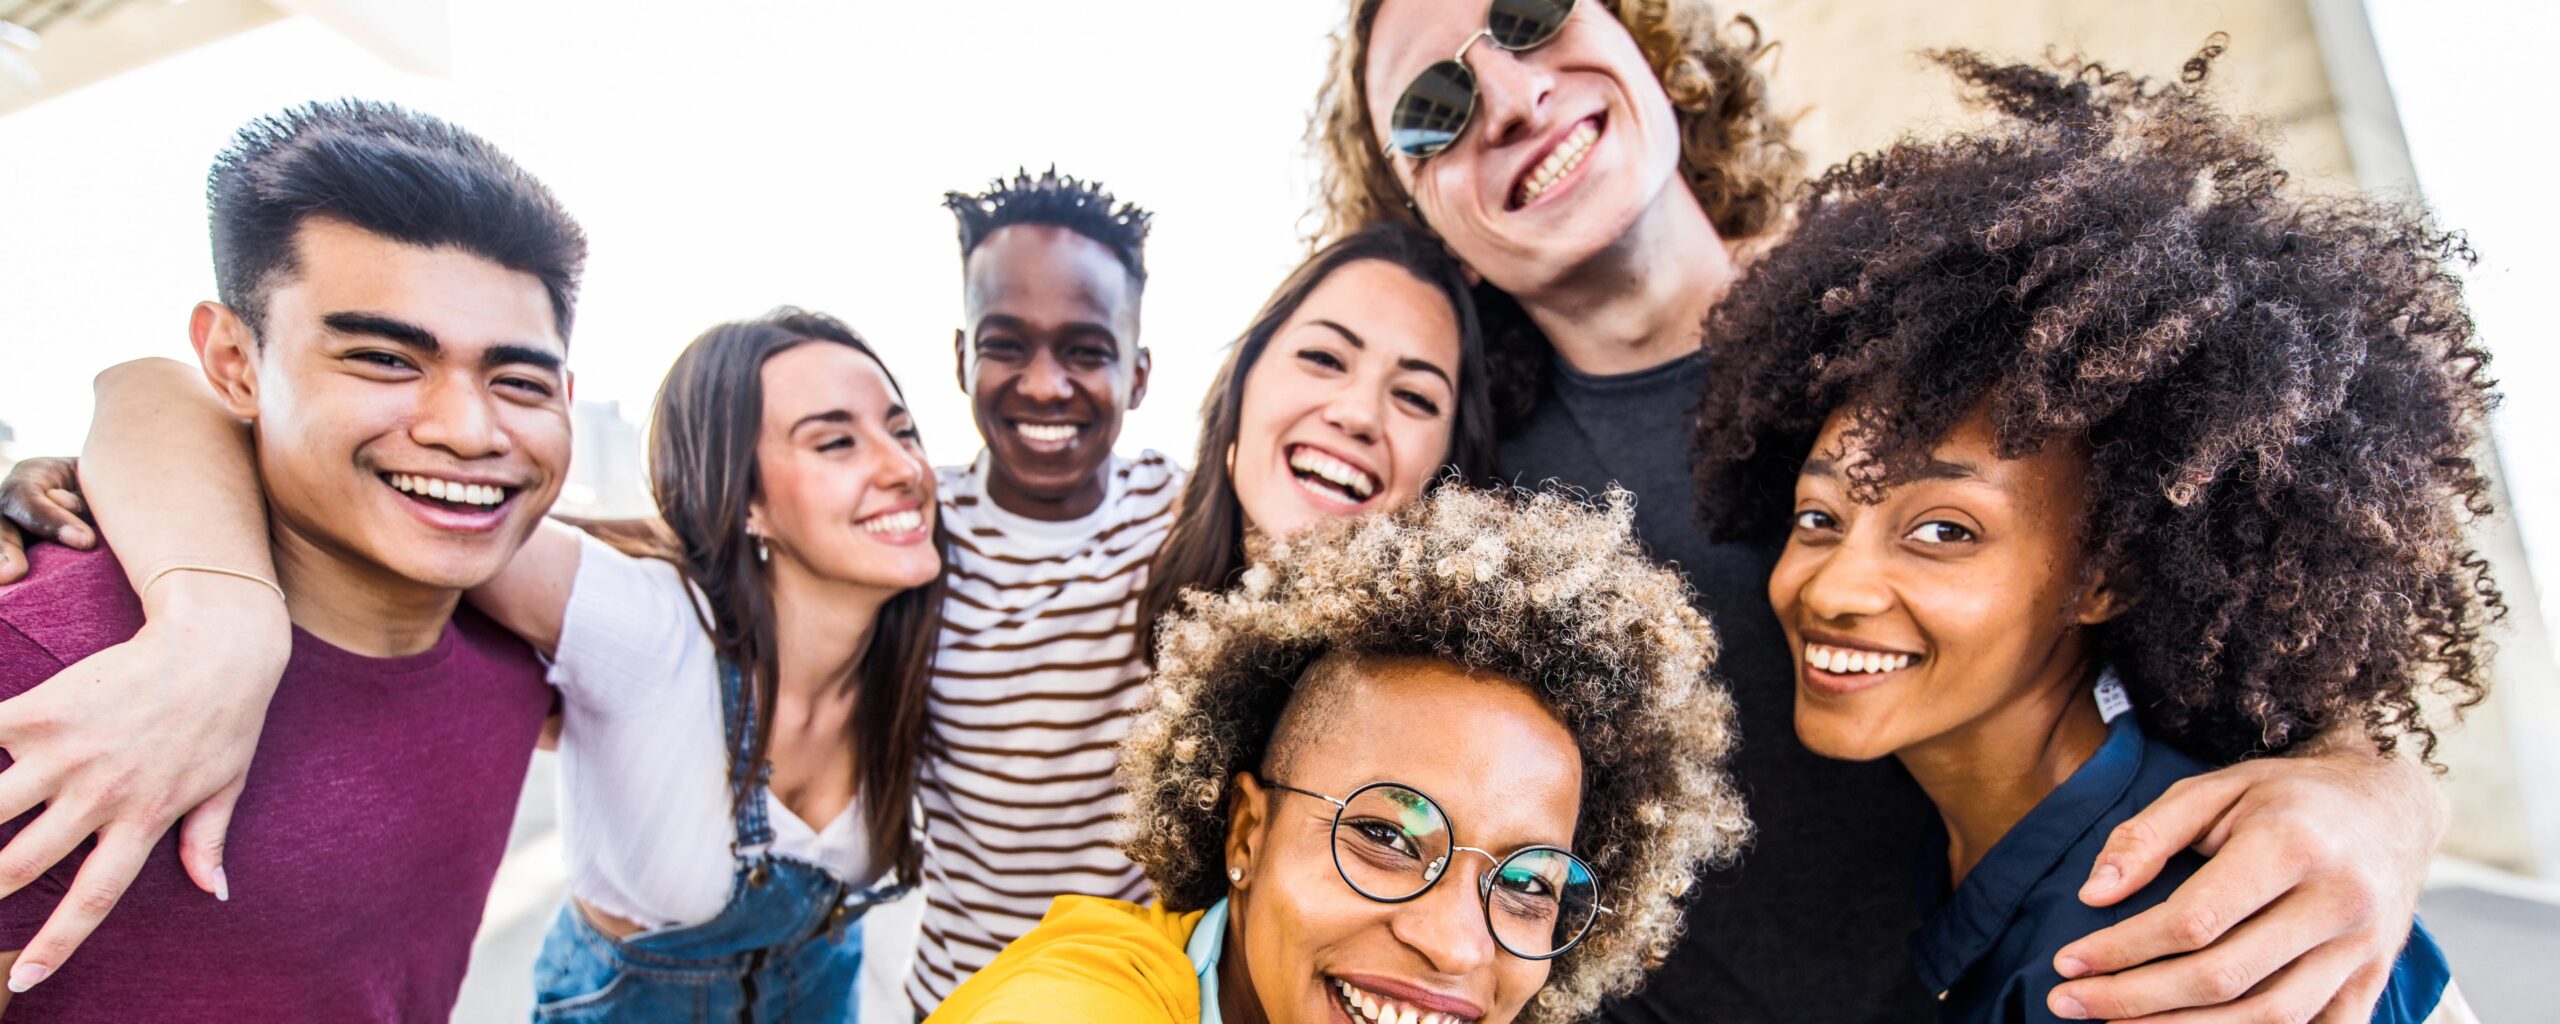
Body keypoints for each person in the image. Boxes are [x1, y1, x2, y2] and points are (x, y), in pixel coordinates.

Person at [1312, 2, 2451, 1019]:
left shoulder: (1956, 312)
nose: (1508, 97)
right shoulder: (1451, 475)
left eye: (1528, 15)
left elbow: (2235, 573)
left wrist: (2373, 793)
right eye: (1432, 106)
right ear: (1417, 213)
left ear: (1642, 38)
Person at [1688, 48, 2488, 1022]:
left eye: (1942, 528)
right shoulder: (2027, 860)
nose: (1833, 588)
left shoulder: (2158, 943)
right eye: (1819, 517)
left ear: (2102, 575)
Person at [0, 99, 583, 1019]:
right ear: (233, 362)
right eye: (385, 358)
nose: (470, 432)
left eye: (517, 380)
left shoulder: (524, 664)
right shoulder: (39, 665)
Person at [932, 485, 1751, 1024]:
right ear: (1247, 832)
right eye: (1389, 838)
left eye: (1529, 884)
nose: (1458, 945)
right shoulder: (1073, 999)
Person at [905, 168, 1181, 1012]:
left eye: (1086, 350)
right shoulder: (911, 528)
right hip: (960, 993)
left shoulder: (1184, 514)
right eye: (1005, 344)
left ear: (1136, 373)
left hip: (1129, 994)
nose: (1045, 384)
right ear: (962, 357)